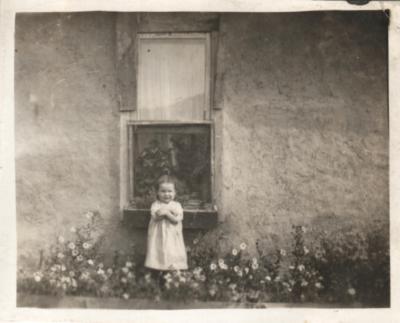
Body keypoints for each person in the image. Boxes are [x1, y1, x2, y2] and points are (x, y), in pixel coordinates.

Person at [144, 176, 188, 282]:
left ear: (175, 193)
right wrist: (163, 213)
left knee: (172, 254)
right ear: (158, 193)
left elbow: (176, 220)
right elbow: (156, 216)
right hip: (158, 237)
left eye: (170, 191)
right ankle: (158, 279)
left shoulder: (177, 205)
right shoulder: (155, 205)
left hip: (172, 238)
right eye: (163, 191)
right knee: (158, 254)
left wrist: (167, 213)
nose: (166, 194)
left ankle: (173, 280)